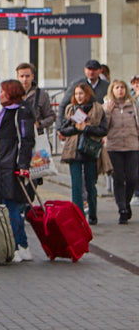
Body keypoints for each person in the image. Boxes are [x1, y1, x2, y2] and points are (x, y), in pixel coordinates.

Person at [0, 79, 35, 261]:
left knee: (11, 206)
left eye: (2, 92)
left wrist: (22, 165)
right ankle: (21, 245)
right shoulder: (5, 112)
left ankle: (14, 246)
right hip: (0, 166)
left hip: (11, 167)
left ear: (11, 93)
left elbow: (26, 140)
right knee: (9, 205)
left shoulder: (21, 112)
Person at [58, 81, 107, 225]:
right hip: (73, 150)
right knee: (76, 185)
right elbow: (63, 129)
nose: (79, 97)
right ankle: (78, 215)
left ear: (88, 94)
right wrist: (76, 129)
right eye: (76, 94)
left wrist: (86, 128)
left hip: (90, 149)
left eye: (82, 93)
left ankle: (92, 213)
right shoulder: (70, 109)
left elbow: (103, 130)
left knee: (91, 184)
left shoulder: (97, 109)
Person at [104, 78, 139, 224]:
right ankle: (122, 208)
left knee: (132, 177)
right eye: (117, 87)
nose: (120, 90)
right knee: (118, 178)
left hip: (132, 146)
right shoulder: (107, 106)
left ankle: (126, 200)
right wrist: (107, 112)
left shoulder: (133, 105)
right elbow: (103, 127)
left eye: (122, 87)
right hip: (114, 147)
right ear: (112, 90)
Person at [16, 62, 56, 133]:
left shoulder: (42, 95)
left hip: (36, 137)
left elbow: (51, 116)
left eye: (27, 76)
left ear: (32, 76)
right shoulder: (12, 95)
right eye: (22, 76)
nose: (24, 79)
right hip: (17, 137)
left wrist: (40, 124)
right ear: (17, 77)